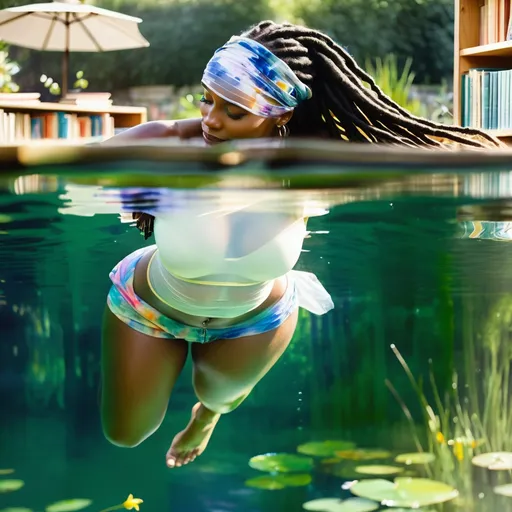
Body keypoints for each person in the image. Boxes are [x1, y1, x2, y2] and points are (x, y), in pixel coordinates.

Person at [101, 20, 503, 470]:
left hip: (256, 318)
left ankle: (208, 415)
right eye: (207, 100)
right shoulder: (170, 143)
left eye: (235, 112)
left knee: (217, 394)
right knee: (126, 435)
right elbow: (90, 160)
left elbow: (422, 169)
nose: (211, 120)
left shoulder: (311, 162)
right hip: (152, 305)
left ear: (281, 114)